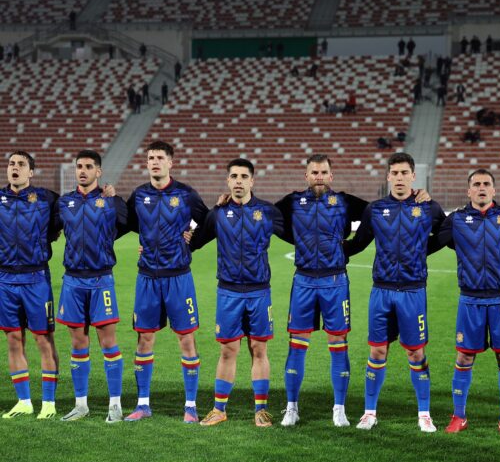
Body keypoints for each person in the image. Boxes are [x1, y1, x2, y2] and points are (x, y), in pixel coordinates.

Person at [433, 170, 500, 436]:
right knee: (464, 356)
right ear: (468, 191)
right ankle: (459, 416)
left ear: (494, 190)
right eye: (476, 184)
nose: (482, 188)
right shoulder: (456, 220)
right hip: (470, 300)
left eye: (486, 184)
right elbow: (432, 243)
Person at [344, 152, 446, 432]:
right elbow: (359, 242)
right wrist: (331, 252)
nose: (400, 178)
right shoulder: (375, 209)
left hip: (413, 292)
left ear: (414, 176)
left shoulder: (429, 207)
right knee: (377, 351)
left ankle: (424, 414)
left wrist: (421, 252)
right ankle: (369, 412)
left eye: (405, 173)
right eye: (395, 173)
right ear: (388, 176)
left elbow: (448, 233)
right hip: (382, 291)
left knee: (416, 353)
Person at [190, 159, 288, 427]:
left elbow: (296, 234)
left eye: (244, 176)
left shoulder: (268, 212)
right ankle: (219, 409)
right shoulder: (218, 214)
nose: (239, 181)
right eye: (234, 176)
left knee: (259, 348)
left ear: (252, 181)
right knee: (227, 351)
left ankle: (261, 409)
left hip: (259, 292)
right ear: (228, 180)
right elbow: (193, 243)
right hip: (229, 292)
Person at [275, 155, 369, 427]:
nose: (318, 175)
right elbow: (269, 217)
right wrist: (297, 240)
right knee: (297, 346)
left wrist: (350, 247)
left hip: (335, 282)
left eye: (323, 171)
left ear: (331, 176)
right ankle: (292, 407)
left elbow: (376, 214)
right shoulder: (293, 202)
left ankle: (339, 408)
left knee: (338, 344)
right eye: (314, 171)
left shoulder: (344, 202)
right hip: (304, 280)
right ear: (306, 176)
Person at [126, 141, 209, 422]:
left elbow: (208, 222)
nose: (155, 162)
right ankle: (143, 404)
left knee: (186, 338)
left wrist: (191, 243)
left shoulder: (186, 195)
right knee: (145, 338)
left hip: (178, 278)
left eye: (160, 158)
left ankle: (190, 407)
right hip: (147, 277)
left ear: (171, 162)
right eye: (150, 158)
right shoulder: (139, 195)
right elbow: (126, 223)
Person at [54, 150, 128, 422]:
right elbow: (50, 228)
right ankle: (81, 404)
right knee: (77, 343)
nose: (82, 171)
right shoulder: (64, 203)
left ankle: (115, 405)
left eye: (88, 167)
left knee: (108, 342)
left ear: (99, 172)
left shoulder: (112, 202)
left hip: (101, 280)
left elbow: (131, 224)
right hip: (72, 280)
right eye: (79, 167)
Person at [0, 151, 59, 419]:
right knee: (14, 339)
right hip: (5, 280)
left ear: (31, 173)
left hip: (36, 279)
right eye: (11, 164)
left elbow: (66, 221)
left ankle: (48, 402)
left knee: (43, 339)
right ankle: (24, 401)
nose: (15, 168)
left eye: (21, 165)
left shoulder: (47, 199)